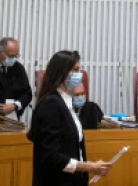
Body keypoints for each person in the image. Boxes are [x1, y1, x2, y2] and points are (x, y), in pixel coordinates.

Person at [28, 50, 111, 185]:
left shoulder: (65, 103)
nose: (79, 75)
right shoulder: (52, 104)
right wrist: (88, 166)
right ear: (62, 72)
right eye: (75, 70)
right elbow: (50, 156)